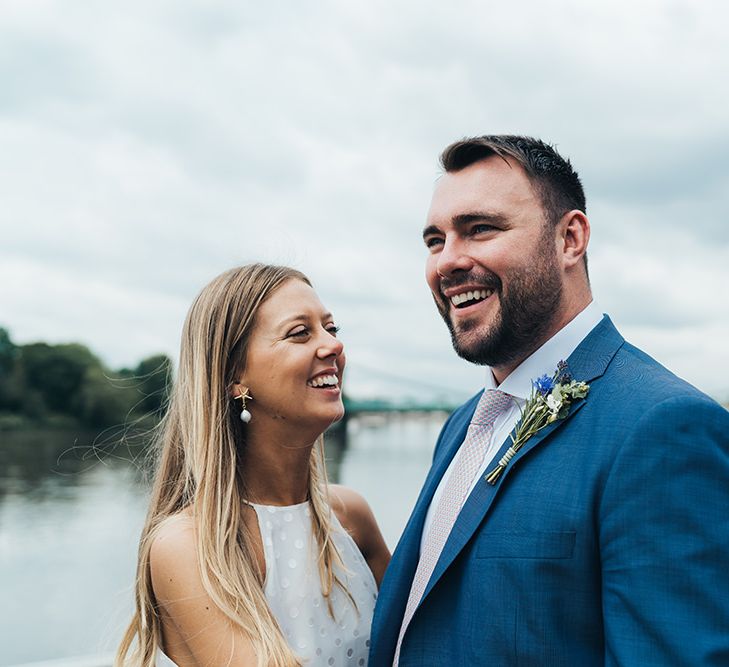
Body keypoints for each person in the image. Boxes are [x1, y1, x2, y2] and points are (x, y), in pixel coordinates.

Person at [369, 135, 729, 666]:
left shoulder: (663, 428)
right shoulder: (463, 424)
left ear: (570, 239)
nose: (447, 261)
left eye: (479, 229)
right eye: (434, 240)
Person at [116, 264, 390, 667]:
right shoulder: (190, 546)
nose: (333, 346)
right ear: (235, 378)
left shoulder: (352, 517)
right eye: (301, 333)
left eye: (332, 329)